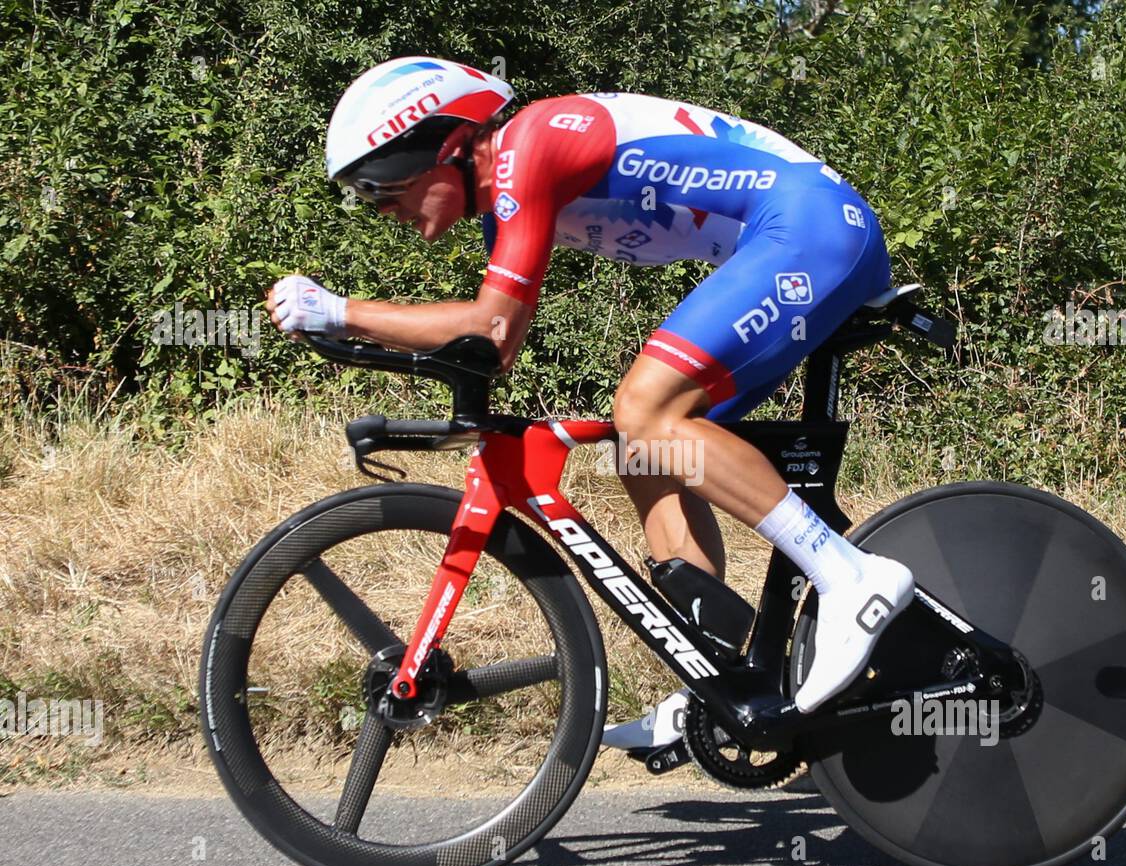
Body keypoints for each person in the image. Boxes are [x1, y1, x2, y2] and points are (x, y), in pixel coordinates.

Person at [267, 57, 914, 742]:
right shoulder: (504, 205)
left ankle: (849, 576)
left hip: (812, 226)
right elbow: (497, 343)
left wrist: (340, 312)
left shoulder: (530, 145)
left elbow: (486, 326)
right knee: (646, 451)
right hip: (794, 233)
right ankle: (721, 683)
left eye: (379, 187)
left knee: (646, 409)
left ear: (445, 148)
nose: (380, 209)